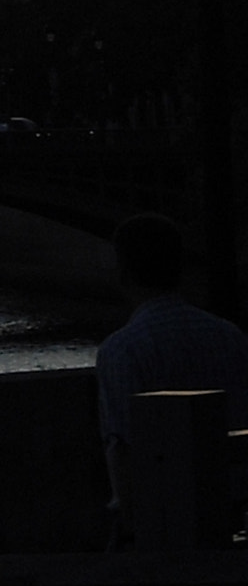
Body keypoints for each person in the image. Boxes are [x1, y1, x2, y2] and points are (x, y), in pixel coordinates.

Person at [96, 214, 248, 542]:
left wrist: (130, 529)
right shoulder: (230, 335)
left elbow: (124, 448)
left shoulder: (122, 348)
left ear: (123, 271)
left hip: (164, 516)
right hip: (232, 507)